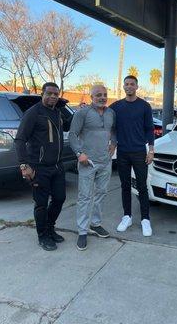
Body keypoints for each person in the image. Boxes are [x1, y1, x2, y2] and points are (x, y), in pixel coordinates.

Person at [15, 82, 70, 251]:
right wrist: (25, 165)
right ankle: (42, 235)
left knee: (59, 198)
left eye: (56, 94)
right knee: (40, 203)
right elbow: (20, 140)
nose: (53, 96)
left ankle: (50, 227)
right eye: (50, 93)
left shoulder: (57, 112)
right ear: (42, 94)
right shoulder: (33, 113)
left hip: (57, 166)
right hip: (38, 167)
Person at [69, 85, 116, 251]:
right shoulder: (82, 113)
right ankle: (82, 231)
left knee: (102, 193)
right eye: (98, 95)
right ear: (91, 97)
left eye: (104, 94)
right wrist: (79, 153)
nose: (102, 97)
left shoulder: (111, 113)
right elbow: (72, 134)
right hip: (87, 162)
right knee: (85, 197)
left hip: (105, 161)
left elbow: (113, 130)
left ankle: (96, 224)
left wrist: (114, 144)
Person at [110, 75, 154, 237]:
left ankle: (145, 219)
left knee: (142, 186)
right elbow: (108, 124)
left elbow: (149, 129)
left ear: (137, 86)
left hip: (139, 152)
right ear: (123, 86)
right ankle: (127, 216)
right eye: (126, 84)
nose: (129, 86)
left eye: (132, 84)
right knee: (125, 185)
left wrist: (151, 150)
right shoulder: (116, 106)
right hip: (122, 152)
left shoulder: (144, 106)